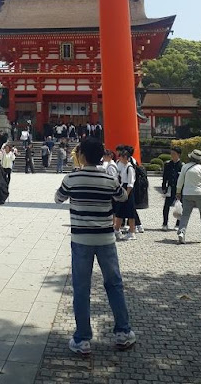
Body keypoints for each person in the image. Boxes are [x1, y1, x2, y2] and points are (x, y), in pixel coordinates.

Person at [54, 137, 135, 355]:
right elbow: (121, 198)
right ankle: (123, 332)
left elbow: (57, 198)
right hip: (105, 239)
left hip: (81, 240)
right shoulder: (108, 177)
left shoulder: (71, 178)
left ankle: (82, 339)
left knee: (81, 288)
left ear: (81, 155)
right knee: (114, 284)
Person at [176, 149, 201, 244]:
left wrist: (178, 192)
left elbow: (180, 181)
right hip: (200, 193)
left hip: (187, 193)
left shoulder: (185, 167)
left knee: (185, 215)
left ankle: (181, 232)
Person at [114, 148, 137, 241]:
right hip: (123, 187)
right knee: (119, 210)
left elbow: (130, 183)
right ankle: (116, 229)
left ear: (126, 157)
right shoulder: (122, 166)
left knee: (130, 212)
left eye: (122, 157)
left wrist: (126, 194)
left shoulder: (129, 167)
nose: (120, 158)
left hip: (128, 190)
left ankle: (132, 232)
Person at [161, 146, 183, 231]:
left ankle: (178, 224)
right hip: (170, 187)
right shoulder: (167, 164)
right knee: (166, 206)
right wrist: (164, 186)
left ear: (178, 155)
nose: (172, 155)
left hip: (179, 189)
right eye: (171, 153)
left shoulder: (182, 165)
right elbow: (164, 177)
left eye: (174, 154)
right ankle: (165, 223)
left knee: (179, 206)